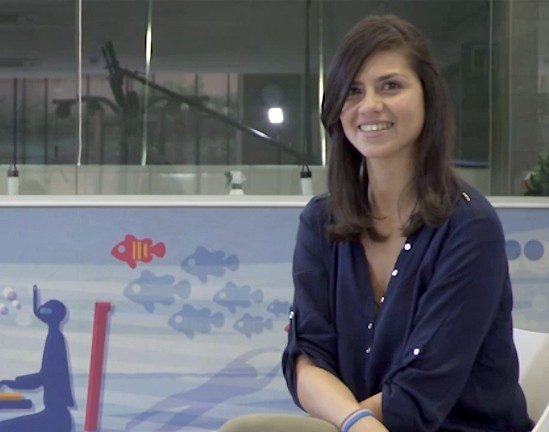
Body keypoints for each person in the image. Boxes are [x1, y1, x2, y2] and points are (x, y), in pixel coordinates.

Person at [219, 14, 534, 432]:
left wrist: (352, 423)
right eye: (353, 91)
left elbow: (422, 390)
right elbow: (308, 358)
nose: (370, 106)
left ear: (428, 98)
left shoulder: (469, 227)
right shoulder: (320, 221)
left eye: (390, 86)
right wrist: (353, 421)